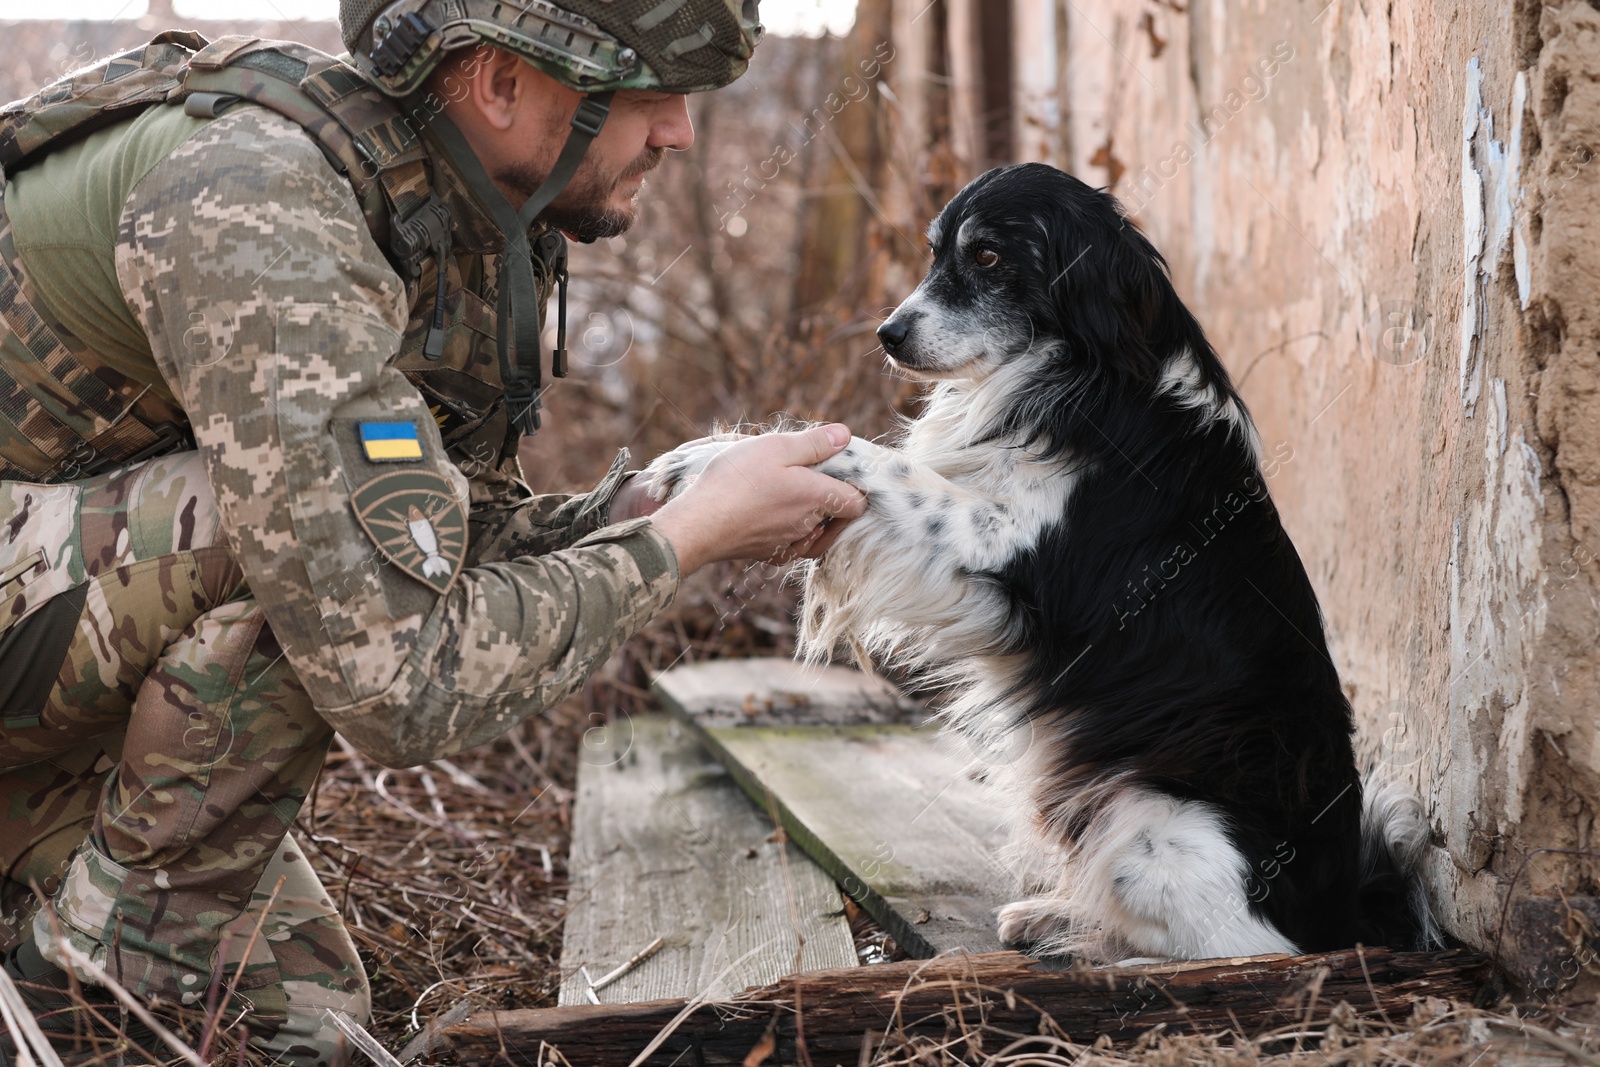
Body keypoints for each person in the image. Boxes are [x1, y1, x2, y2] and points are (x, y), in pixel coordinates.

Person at [0, 0, 865, 1061]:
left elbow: (459, 527)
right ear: (499, 84)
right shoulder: (261, 205)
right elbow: (395, 677)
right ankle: (80, 986)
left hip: (46, 635)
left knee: (302, 1028)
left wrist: (644, 504)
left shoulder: (457, 201)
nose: (680, 133)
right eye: (645, 96)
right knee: (280, 533)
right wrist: (681, 541)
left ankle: (87, 914)